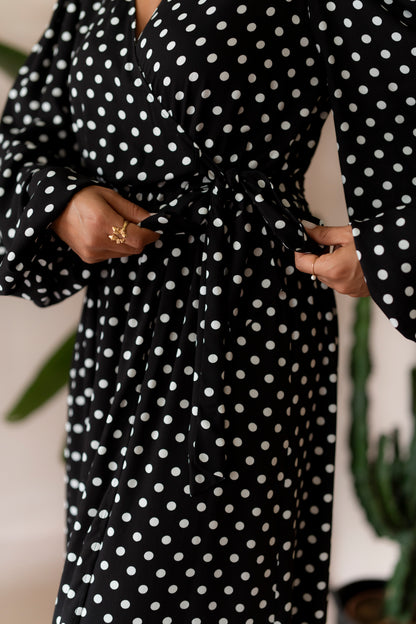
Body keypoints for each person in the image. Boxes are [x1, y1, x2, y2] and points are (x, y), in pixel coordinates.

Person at [0, 1, 414, 622]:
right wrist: (63, 201)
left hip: (241, 327)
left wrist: (388, 248)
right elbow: (26, 135)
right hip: (116, 329)